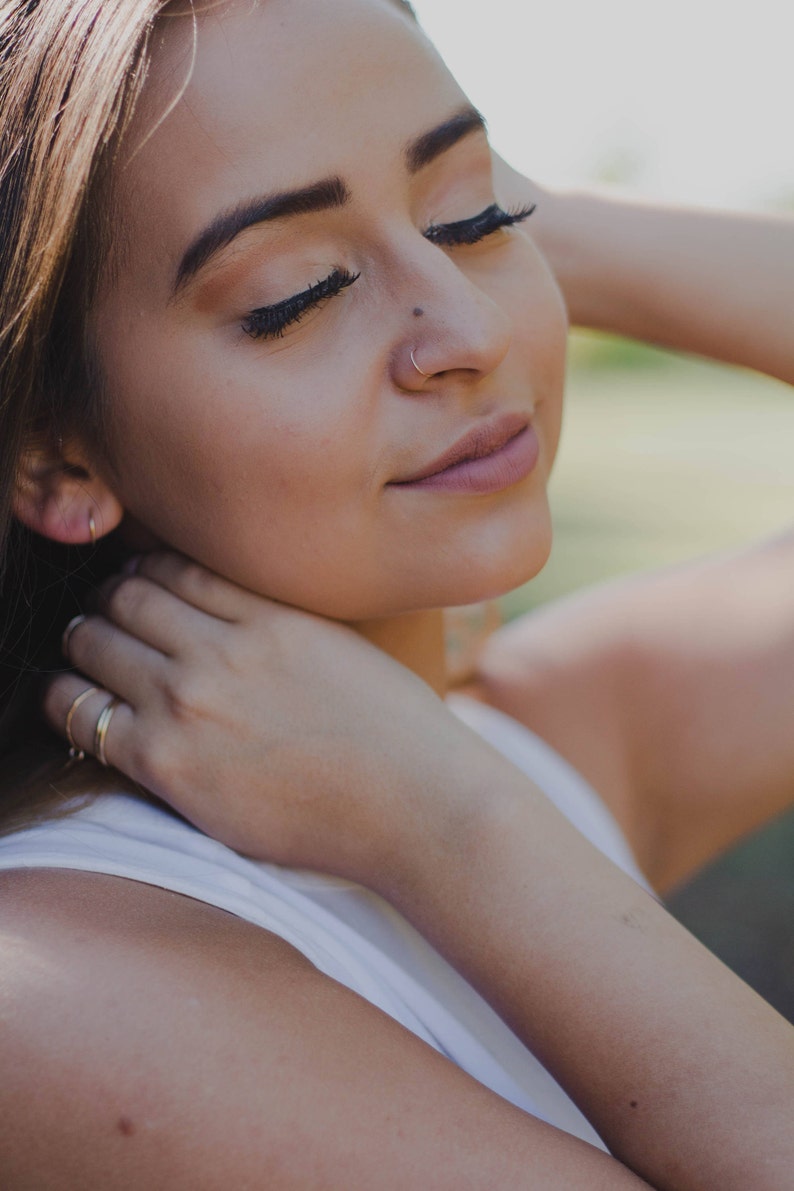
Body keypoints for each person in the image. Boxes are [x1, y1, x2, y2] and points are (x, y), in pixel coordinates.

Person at [0, 0, 792, 1186]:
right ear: (60, 457)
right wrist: (449, 833)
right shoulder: (57, 994)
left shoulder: (526, 746)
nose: (469, 329)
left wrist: (540, 231)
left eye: (478, 217)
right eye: (297, 293)